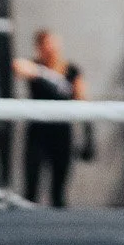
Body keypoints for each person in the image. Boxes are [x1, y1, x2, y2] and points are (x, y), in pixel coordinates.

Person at [13, 28, 85, 208]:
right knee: (30, 190)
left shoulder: (72, 69)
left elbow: (82, 99)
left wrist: (88, 136)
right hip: (38, 133)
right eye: (47, 44)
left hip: (62, 133)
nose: (51, 48)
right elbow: (18, 66)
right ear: (39, 47)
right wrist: (45, 75)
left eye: (54, 43)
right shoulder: (32, 65)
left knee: (58, 193)